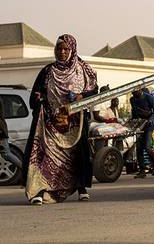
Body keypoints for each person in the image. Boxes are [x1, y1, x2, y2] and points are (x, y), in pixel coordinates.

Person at [22, 34, 98, 205]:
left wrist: (81, 96)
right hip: (52, 124)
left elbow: (94, 92)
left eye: (66, 49)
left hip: (75, 125)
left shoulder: (84, 70)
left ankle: (81, 188)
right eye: (59, 49)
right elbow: (35, 97)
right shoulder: (47, 71)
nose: (62, 52)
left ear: (72, 50)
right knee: (47, 159)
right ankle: (40, 191)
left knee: (76, 157)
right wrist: (39, 98)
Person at [130, 87, 154, 178]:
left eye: (135, 92)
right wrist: (132, 121)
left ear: (139, 90)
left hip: (148, 125)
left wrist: (151, 119)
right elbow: (134, 111)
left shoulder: (149, 97)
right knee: (139, 149)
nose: (134, 95)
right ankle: (142, 171)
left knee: (147, 147)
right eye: (132, 93)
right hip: (139, 125)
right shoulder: (133, 99)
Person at [0, 99, 23, 170]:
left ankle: (25, 169)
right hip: (1, 129)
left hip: (1, 130)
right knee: (6, 153)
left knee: (6, 154)